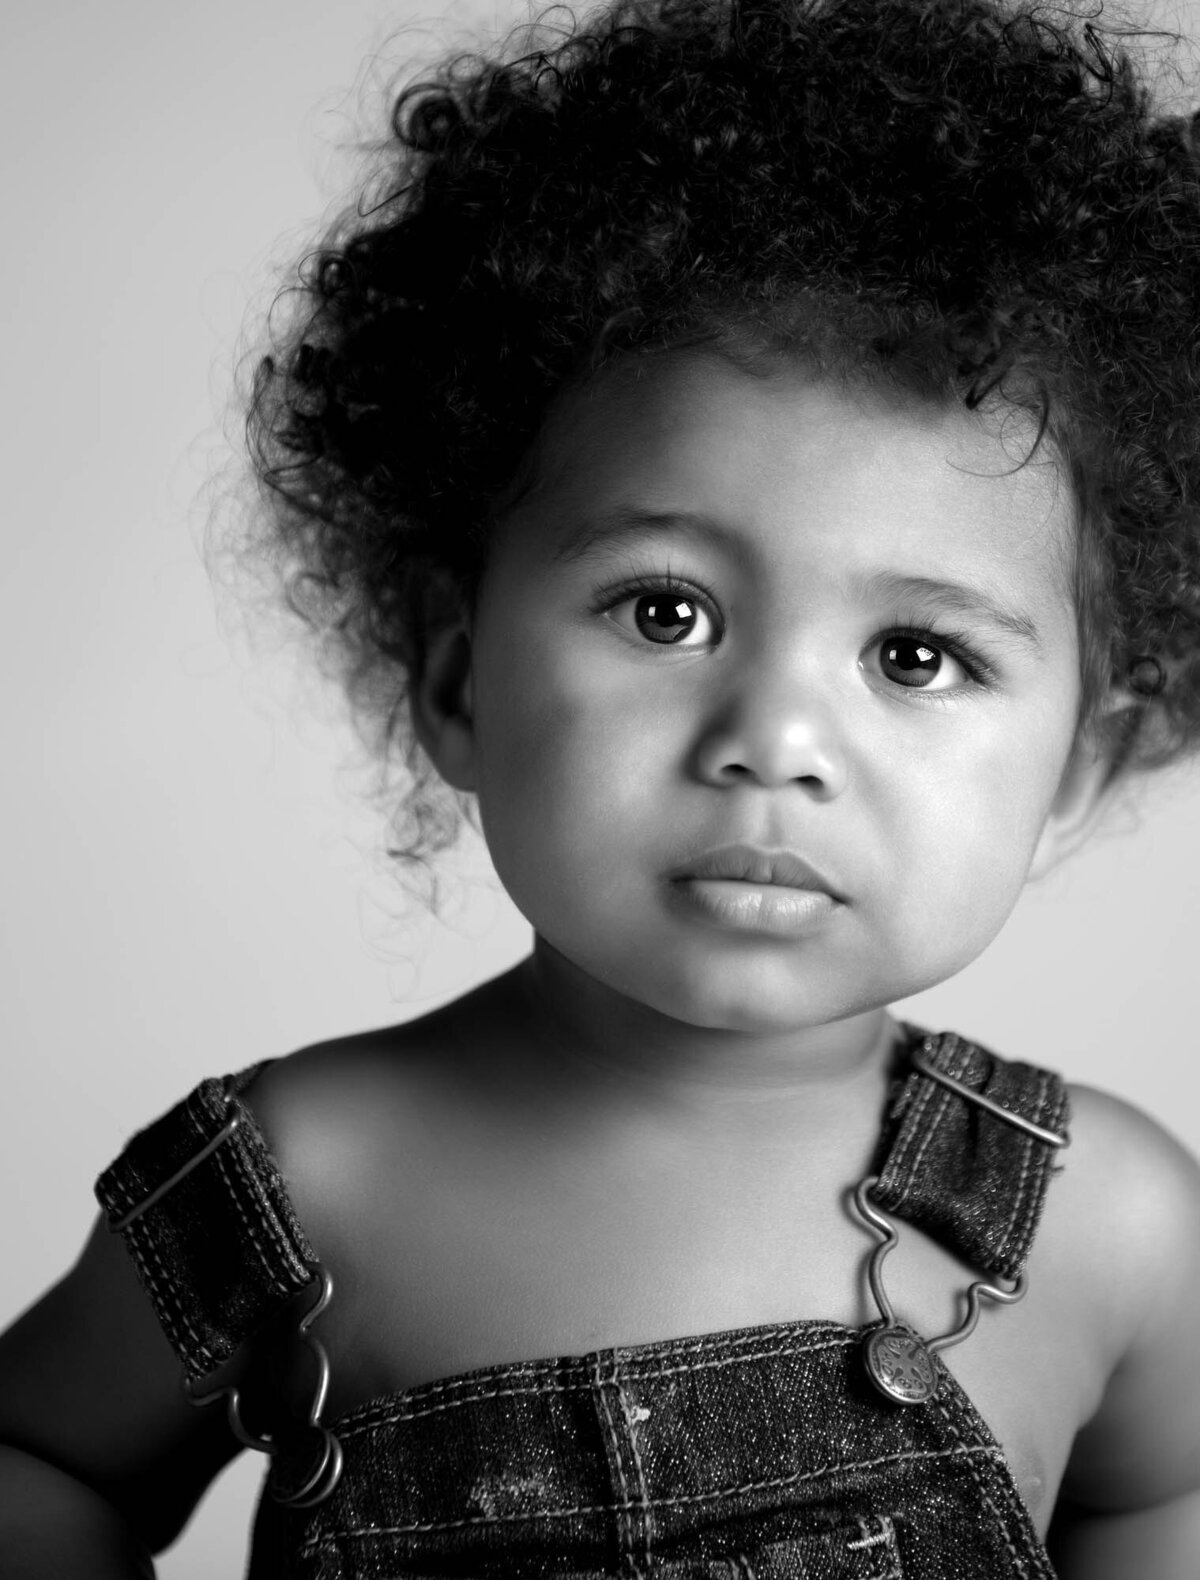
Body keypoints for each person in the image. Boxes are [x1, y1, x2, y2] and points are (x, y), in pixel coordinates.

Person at [3, 0, 1200, 1572]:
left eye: (914, 656)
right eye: (666, 612)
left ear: (1080, 765)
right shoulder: (305, 1184)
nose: (774, 736)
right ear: (455, 680)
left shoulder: (1105, 1224)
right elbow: (37, 1458)